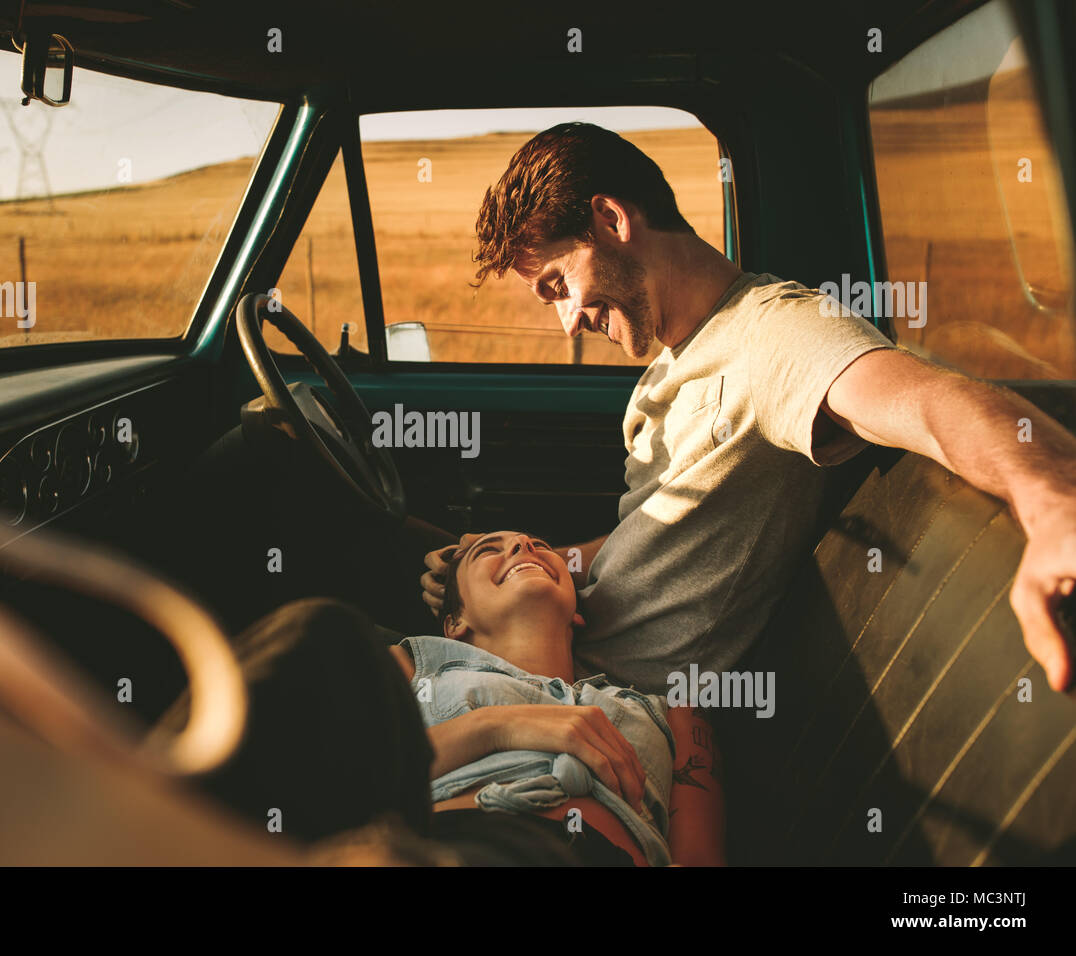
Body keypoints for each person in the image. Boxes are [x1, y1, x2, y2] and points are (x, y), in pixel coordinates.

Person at [422, 122, 1076, 697]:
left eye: (558, 286)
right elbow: (639, 544)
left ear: (612, 222)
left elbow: (931, 399)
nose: (567, 322)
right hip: (545, 662)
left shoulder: (776, 336)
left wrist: (1053, 508)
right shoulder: (666, 364)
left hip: (609, 716)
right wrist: (512, 566)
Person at [196, 531, 723, 866]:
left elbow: (699, 859)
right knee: (319, 632)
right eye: (489, 549)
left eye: (539, 546)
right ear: (455, 622)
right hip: (446, 842)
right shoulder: (415, 662)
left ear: (577, 610)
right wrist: (495, 726)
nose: (523, 548)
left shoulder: (671, 709)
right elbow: (321, 783)